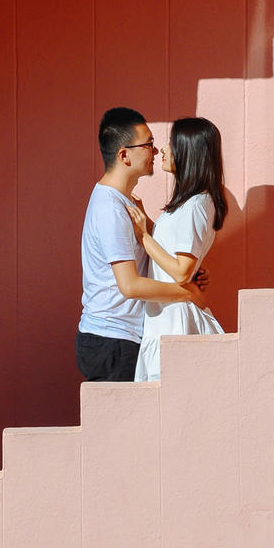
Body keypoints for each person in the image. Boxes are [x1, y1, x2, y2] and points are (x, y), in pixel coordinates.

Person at [76, 106, 208, 383]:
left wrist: (186, 272)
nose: (156, 151)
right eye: (148, 144)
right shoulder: (110, 208)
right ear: (124, 155)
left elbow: (152, 257)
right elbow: (130, 285)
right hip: (111, 340)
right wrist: (186, 292)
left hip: (120, 338)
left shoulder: (126, 203)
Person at [125, 116, 227, 382]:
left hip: (175, 321)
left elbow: (182, 273)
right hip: (164, 316)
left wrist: (144, 237)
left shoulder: (196, 205)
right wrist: (147, 221)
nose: (163, 150)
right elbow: (175, 251)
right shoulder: (189, 204)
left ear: (188, 152)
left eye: (171, 144)